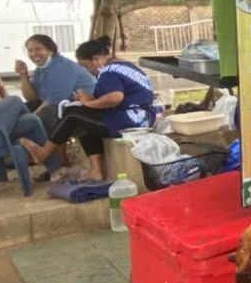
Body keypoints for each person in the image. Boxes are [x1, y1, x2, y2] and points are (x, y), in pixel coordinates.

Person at [21, 36, 154, 181]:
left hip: (130, 121)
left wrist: (88, 103)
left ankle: (43, 153)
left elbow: (115, 97)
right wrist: (90, 101)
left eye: (85, 66)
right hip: (142, 117)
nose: (86, 71)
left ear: (96, 59)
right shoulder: (127, 66)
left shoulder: (109, 72)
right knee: (82, 119)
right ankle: (96, 171)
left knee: (72, 114)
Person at [15, 34, 97, 132]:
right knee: (20, 108)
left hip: (86, 107)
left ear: (50, 51)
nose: (34, 54)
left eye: (38, 49)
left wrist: (31, 118)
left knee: (41, 118)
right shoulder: (41, 69)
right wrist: (23, 75)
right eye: (30, 50)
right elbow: (32, 98)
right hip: (62, 105)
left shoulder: (60, 66)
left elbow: (54, 100)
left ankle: (44, 145)